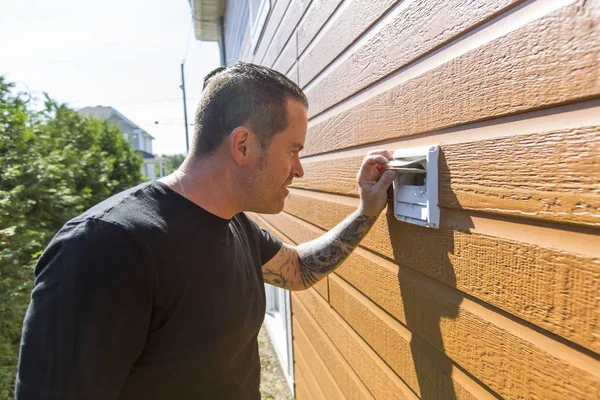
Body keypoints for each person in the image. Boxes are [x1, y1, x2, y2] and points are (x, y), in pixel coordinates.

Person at [15, 62, 397, 399]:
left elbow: (298, 269)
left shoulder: (236, 225)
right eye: (292, 151)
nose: (299, 170)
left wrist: (366, 211)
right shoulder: (104, 246)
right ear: (243, 145)